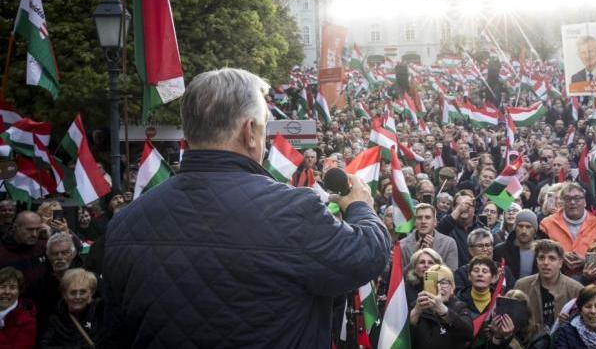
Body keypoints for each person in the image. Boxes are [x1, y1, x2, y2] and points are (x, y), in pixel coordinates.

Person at [102, 68, 392, 347]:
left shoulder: (126, 223)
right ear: (250, 131)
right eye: (265, 127)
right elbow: (367, 254)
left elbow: (113, 336)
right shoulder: (292, 210)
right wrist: (360, 206)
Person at [514, 240, 583, 339]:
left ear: (560, 263)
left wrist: (571, 322)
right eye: (541, 258)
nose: (546, 263)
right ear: (536, 261)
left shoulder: (576, 289)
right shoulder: (522, 286)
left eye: (552, 258)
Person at [538, 183, 596, 275]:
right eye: (568, 199)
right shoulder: (547, 224)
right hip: (556, 278)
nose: (572, 202)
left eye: (577, 198)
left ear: (585, 202)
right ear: (562, 202)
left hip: (589, 281)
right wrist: (559, 256)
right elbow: (539, 251)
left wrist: (587, 260)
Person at [409, 264, 473, 349]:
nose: (439, 287)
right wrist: (416, 311)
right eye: (434, 283)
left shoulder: (460, 307)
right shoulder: (417, 305)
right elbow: (402, 337)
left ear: (452, 287)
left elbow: (467, 334)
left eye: (443, 283)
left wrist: (441, 309)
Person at [40, 269, 103, 348]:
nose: (77, 297)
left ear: (91, 293)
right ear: (64, 295)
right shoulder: (55, 319)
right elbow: (45, 345)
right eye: (73, 292)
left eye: (83, 292)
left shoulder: (100, 312)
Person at [400, 203, 458, 272]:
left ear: (435, 222)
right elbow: (399, 278)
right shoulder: (402, 245)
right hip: (412, 282)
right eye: (419, 218)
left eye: (427, 217)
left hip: (437, 282)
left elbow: (451, 275)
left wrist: (433, 254)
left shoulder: (449, 243)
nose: (423, 221)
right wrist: (416, 257)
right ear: (414, 222)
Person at [0, 212, 47, 291]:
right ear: (15, 227)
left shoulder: (42, 246)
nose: (34, 234)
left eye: (38, 229)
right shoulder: (3, 252)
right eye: (29, 230)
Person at [438, 190, 484, 267]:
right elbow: (439, 232)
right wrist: (459, 210)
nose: (464, 208)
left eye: (468, 205)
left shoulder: (482, 229)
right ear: (453, 208)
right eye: (460, 205)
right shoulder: (447, 226)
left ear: (474, 209)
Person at [493, 209, 538, 280]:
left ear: (535, 230)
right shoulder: (500, 251)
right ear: (515, 228)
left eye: (528, 227)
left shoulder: (542, 252)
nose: (524, 231)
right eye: (520, 226)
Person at [0, 266, 36, 349]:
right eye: (2, 287)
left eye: (12, 287)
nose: (7, 292)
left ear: (19, 291)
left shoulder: (28, 321)